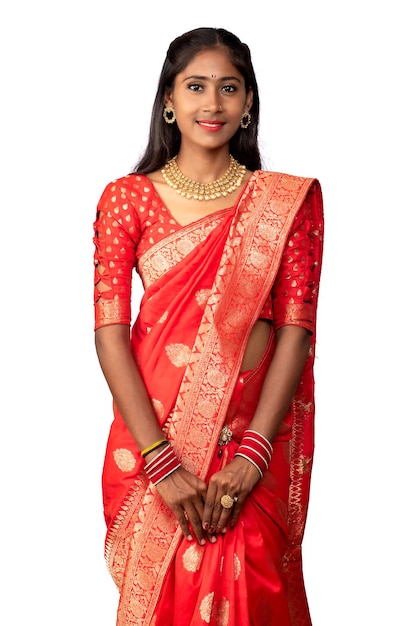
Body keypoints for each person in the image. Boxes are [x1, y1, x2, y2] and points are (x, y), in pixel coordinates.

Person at [93, 26, 324, 626]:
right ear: (168, 100)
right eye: (196, 87)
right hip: (159, 447)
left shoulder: (280, 204)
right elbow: (110, 334)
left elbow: (296, 331)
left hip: (250, 450)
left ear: (248, 103)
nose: (212, 103)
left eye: (229, 88)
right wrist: (159, 460)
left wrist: (253, 453)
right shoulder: (128, 198)